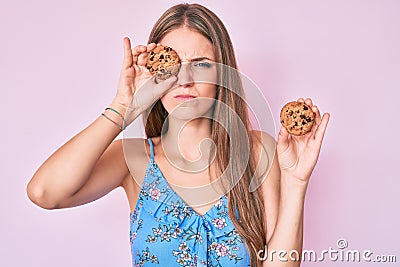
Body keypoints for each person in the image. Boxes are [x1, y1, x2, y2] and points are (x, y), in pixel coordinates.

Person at [26, 3, 330, 267]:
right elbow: (45, 192)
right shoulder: (133, 160)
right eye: (174, 65)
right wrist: (122, 108)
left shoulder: (257, 151)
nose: (184, 80)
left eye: (201, 65)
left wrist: (296, 181)